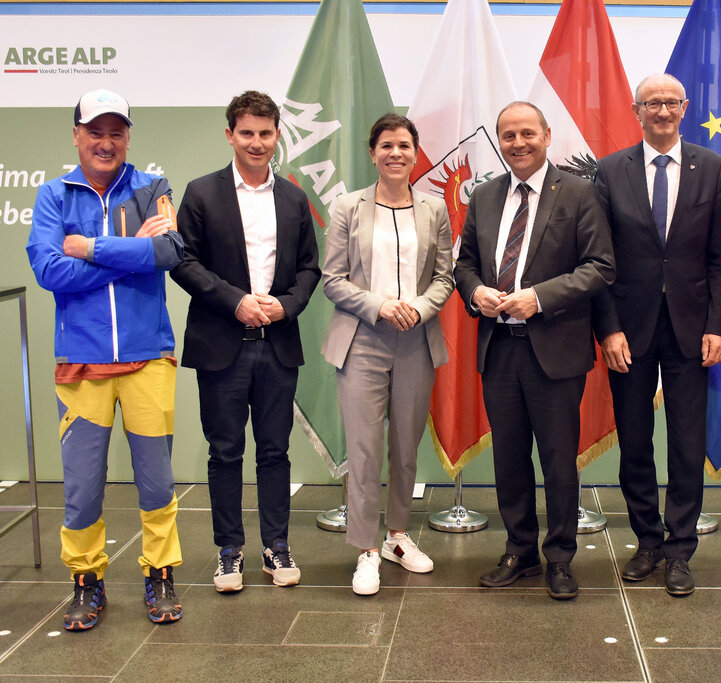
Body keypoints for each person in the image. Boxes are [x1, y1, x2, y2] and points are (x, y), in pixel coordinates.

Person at [26, 89, 184, 630]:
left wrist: (90, 247)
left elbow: (167, 253)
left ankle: (160, 573)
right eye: (95, 131)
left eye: (116, 131)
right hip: (82, 364)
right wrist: (127, 252)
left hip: (148, 360)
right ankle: (86, 580)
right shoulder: (53, 196)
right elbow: (49, 271)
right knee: (82, 486)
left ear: (128, 137)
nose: (106, 142)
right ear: (76, 135)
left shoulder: (152, 187)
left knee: (157, 482)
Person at [454, 101, 614, 600]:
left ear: (547, 134)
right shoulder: (483, 196)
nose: (518, 143)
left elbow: (600, 266)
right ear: (499, 141)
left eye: (527, 133)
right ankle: (519, 550)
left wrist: (540, 298)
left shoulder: (581, 192)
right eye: (508, 135)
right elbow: (464, 264)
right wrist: (475, 290)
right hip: (499, 348)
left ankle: (560, 557)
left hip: (555, 350)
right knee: (509, 459)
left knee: (559, 460)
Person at [171, 91, 320, 593]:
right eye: (247, 133)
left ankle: (276, 547)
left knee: (275, 451)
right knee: (225, 451)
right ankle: (228, 550)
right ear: (230, 134)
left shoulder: (295, 197)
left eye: (266, 133)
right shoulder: (201, 192)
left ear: (278, 135)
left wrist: (287, 304)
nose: (257, 142)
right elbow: (184, 262)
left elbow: (308, 269)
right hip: (221, 343)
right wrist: (234, 300)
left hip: (277, 344)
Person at [592, 74, 721, 596]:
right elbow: (599, 260)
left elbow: (719, 256)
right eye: (653, 103)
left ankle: (679, 550)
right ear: (637, 110)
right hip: (629, 328)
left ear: (685, 107)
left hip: (693, 330)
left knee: (686, 442)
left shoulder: (711, 167)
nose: (663, 111)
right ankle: (647, 541)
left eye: (672, 102)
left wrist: (720, 325)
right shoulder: (610, 171)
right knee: (634, 441)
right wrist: (608, 328)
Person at [321, 113, 453, 596]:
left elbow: (445, 277)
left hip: (416, 338)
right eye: (386, 145)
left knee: (404, 447)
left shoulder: (434, 209)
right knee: (364, 450)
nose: (395, 153)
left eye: (404, 145)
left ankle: (397, 537)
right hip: (362, 340)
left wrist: (417, 309)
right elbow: (332, 279)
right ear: (372, 153)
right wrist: (380, 306)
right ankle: (367, 550)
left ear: (415, 152)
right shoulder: (346, 208)